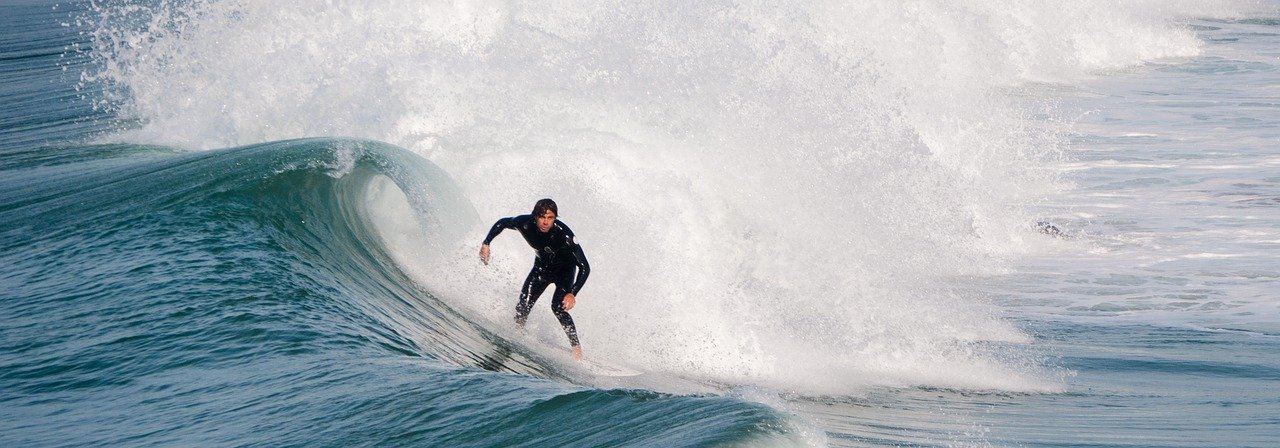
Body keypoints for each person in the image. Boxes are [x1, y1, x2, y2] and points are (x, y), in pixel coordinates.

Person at [479, 198, 590, 360]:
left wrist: (572, 293)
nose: (545, 222)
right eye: (542, 217)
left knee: (557, 307)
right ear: (535, 216)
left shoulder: (564, 234)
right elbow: (503, 222)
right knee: (523, 305)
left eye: (550, 218)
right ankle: (517, 334)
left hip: (564, 272)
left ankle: (576, 347)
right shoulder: (524, 223)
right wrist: (486, 243)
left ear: (555, 218)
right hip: (541, 270)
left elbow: (585, 267)